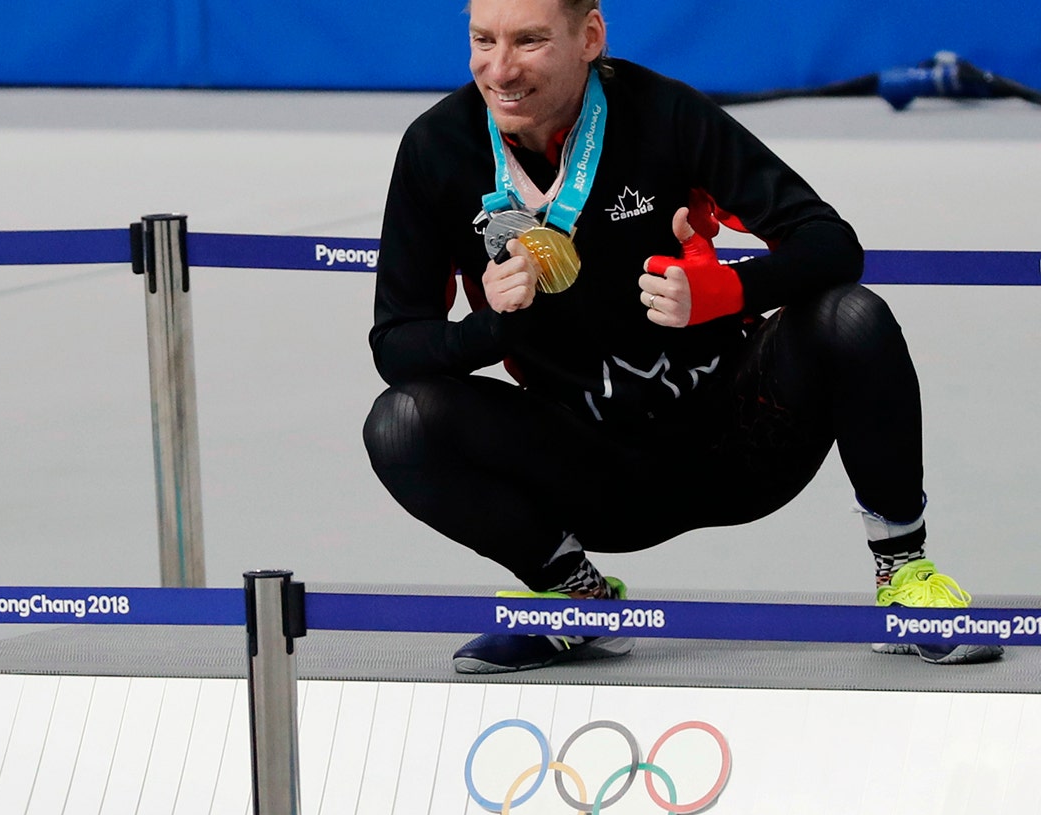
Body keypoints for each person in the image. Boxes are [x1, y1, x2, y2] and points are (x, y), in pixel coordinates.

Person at [360, 0, 1002, 673]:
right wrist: (491, 327)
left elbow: (831, 244)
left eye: (529, 41)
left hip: (739, 440)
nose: (500, 69)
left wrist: (728, 290)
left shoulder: (663, 113)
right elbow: (397, 345)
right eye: (482, 40)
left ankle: (904, 578)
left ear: (590, 36)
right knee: (400, 424)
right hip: (593, 470)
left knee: (852, 316)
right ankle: (576, 602)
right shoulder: (439, 146)